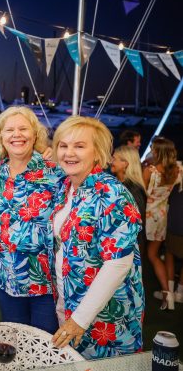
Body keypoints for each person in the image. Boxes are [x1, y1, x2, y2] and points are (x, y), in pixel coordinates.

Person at [51, 116, 144, 359]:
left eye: (79, 146)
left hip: (106, 314)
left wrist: (79, 320)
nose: (69, 152)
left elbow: (118, 264)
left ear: (98, 153)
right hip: (68, 300)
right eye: (63, 145)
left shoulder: (112, 193)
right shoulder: (66, 187)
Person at [0, 106, 60, 334]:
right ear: (1, 136)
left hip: (45, 283)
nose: (16, 135)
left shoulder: (54, 172)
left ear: (35, 134)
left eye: (23, 129)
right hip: (6, 278)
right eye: (9, 130)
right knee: (15, 342)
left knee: (45, 344)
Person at [143, 137, 183, 310]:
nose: (151, 150)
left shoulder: (150, 171)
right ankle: (169, 295)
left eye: (152, 148)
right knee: (155, 253)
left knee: (148, 254)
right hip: (163, 216)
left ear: (158, 151)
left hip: (147, 215)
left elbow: (141, 194)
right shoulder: (178, 169)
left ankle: (166, 293)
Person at [110, 145, 147, 254]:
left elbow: (135, 222)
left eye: (114, 159)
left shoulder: (133, 189)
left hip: (127, 246)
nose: (111, 161)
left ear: (125, 163)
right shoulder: (117, 182)